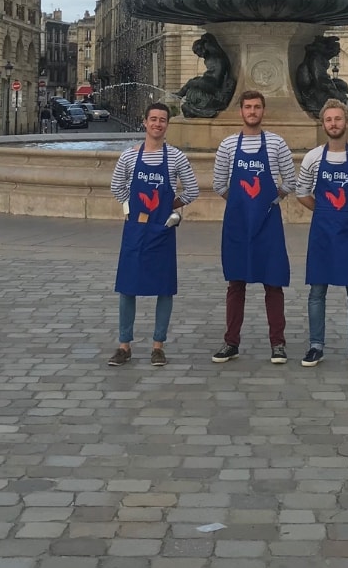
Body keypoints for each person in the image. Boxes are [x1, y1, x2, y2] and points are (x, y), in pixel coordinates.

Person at [108, 103, 199, 367]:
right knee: (127, 287)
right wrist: (129, 207)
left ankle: (158, 346)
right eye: (153, 119)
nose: (158, 124)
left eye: (162, 120)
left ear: (167, 125)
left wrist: (170, 208)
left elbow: (192, 190)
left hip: (161, 230)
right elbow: (116, 185)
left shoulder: (176, 157)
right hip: (135, 228)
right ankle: (124, 345)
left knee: (164, 288)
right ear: (145, 122)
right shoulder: (129, 156)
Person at [211, 91, 296, 364]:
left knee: (274, 283)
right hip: (237, 224)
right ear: (241, 111)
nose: (252, 111)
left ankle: (278, 344)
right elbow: (219, 184)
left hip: (268, 223)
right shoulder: (227, 145)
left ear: (263, 110)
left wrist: (271, 200)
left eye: (257, 107)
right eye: (247, 107)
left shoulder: (276, 143)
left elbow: (290, 181)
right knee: (235, 283)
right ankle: (231, 342)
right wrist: (239, 203)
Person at [295, 99, 348, 368]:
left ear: (346, 122)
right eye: (328, 119)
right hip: (321, 231)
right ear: (323, 124)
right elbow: (301, 192)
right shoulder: (312, 157)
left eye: (338, 119)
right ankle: (315, 346)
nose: (333, 123)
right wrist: (322, 211)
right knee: (317, 291)